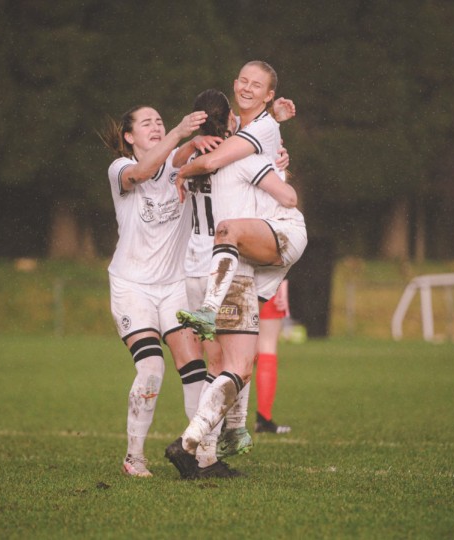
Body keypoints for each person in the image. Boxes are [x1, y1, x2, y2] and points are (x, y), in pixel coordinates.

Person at [165, 89, 306, 479]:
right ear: (229, 121)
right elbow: (287, 198)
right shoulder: (242, 159)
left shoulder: (192, 158)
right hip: (229, 269)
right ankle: (193, 443)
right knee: (239, 366)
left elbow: (171, 164)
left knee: (216, 364)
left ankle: (206, 459)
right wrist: (278, 169)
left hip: (193, 269)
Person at [101, 105, 213, 478]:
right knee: (151, 367)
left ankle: (201, 453)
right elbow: (144, 169)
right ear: (129, 137)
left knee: (195, 369)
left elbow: (222, 156)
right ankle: (134, 457)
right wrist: (180, 131)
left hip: (175, 286)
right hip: (132, 286)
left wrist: (277, 152)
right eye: (146, 123)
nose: (155, 126)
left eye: (159, 121)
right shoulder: (120, 168)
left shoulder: (181, 165)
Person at [255, 279, 292, 434]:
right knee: (267, 348)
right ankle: (263, 418)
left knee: (229, 355)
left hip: (231, 282)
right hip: (267, 282)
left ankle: (222, 420)